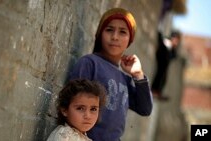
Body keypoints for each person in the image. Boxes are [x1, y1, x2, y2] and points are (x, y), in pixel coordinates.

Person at [68, 8, 153, 141]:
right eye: (109, 30)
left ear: (130, 39)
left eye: (123, 32)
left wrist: (138, 74)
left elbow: (145, 108)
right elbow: (73, 108)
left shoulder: (124, 79)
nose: (115, 37)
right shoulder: (90, 64)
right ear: (100, 33)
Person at [151, 30, 181, 100]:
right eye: (176, 40)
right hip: (160, 64)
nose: (176, 43)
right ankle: (154, 91)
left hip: (164, 67)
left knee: (163, 77)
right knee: (159, 75)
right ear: (173, 38)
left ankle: (157, 92)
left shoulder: (172, 50)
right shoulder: (165, 43)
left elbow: (174, 56)